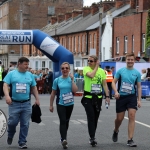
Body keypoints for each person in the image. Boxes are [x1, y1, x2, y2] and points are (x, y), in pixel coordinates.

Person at [3, 57, 40, 149]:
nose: (27, 66)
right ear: (19, 64)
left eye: (28, 64)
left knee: (25, 124)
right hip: (14, 104)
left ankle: (22, 141)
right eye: (25, 64)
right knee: (12, 123)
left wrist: (37, 99)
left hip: (26, 104)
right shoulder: (12, 74)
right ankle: (10, 134)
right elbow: (5, 84)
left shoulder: (30, 75)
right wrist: (7, 96)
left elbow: (34, 88)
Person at [111, 53, 141, 147]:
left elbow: (139, 87)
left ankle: (130, 139)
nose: (130, 61)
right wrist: (115, 91)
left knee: (132, 116)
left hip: (131, 96)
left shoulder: (137, 73)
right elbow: (113, 82)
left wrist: (139, 100)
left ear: (134, 61)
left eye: (132, 60)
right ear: (126, 60)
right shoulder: (121, 71)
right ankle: (116, 130)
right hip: (121, 97)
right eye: (128, 59)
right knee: (119, 118)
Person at [81, 55, 110, 147]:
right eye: (88, 61)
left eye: (91, 61)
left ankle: (92, 136)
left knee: (96, 117)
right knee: (91, 116)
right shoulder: (86, 69)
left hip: (98, 97)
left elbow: (104, 84)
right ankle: (92, 137)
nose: (89, 62)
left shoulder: (102, 71)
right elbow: (91, 75)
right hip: (88, 97)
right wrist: (96, 66)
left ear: (96, 61)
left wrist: (107, 96)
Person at [49, 62, 78, 149]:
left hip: (70, 103)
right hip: (61, 103)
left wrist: (72, 80)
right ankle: (64, 139)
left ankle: (63, 137)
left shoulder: (72, 79)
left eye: (66, 68)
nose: (65, 70)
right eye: (63, 68)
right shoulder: (57, 80)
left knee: (66, 121)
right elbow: (53, 93)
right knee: (62, 120)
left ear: (69, 69)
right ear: (61, 70)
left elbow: (75, 90)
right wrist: (51, 105)